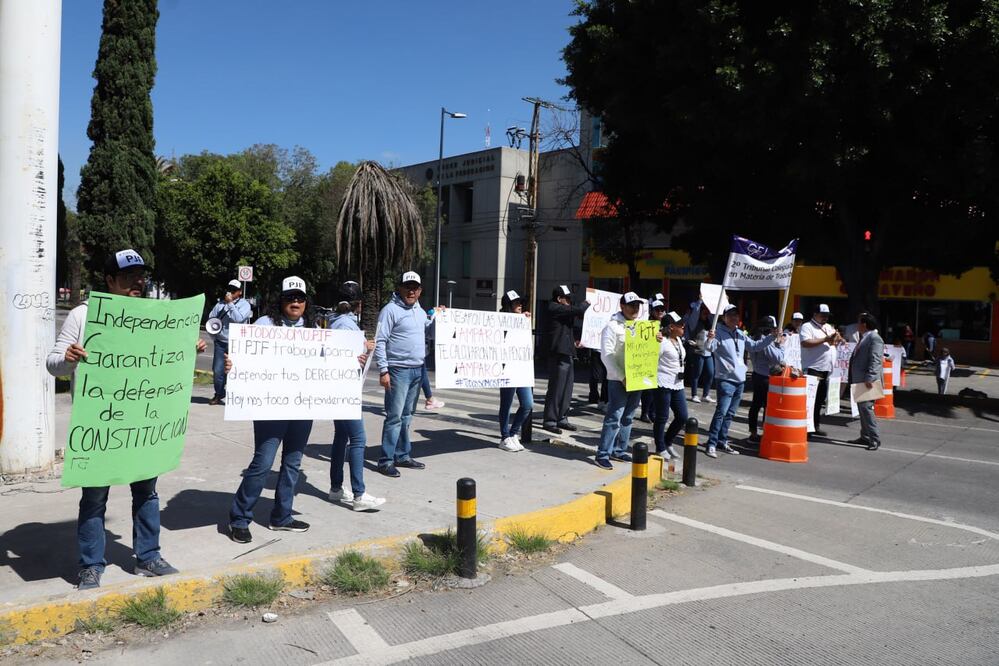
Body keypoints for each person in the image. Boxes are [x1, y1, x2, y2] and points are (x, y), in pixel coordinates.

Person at [47, 249, 207, 589]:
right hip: (101, 427)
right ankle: (91, 565)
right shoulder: (83, 315)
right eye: (128, 275)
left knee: (147, 494)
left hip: (143, 426)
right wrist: (69, 358)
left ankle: (148, 556)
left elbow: (163, 359)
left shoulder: (155, 315)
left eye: (141, 275)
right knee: (94, 500)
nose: (138, 281)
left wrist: (187, 347)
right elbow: (52, 363)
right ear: (109, 280)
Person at [227, 276, 316, 543]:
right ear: (282, 301)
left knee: (293, 464)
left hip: (302, 406)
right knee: (263, 463)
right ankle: (240, 518)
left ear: (306, 302)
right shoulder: (265, 325)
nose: (296, 302)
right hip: (271, 406)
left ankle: (282, 516)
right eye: (290, 298)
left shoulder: (314, 328)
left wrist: (354, 360)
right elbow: (244, 353)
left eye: (300, 298)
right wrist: (235, 364)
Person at [374, 271, 441, 477]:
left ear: (420, 291)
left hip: (416, 370)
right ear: (400, 288)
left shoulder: (420, 312)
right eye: (407, 287)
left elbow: (430, 333)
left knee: (407, 415)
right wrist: (383, 370)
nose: (411, 291)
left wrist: (440, 318)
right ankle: (386, 460)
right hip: (397, 370)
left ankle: (402, 455)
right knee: (394, 417)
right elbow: (380, 340)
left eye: (415, 288)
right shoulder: (390, 310)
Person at [328, 280, 386, 512]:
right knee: (358, 440)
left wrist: (363, 348)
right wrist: (361, 353)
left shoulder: (338, 322)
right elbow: (340, 359)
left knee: (341, 438)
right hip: (345, 390)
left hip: (338, 389)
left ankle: (336, 488)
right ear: (359, 304)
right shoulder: (346, 325)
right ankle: (359, 494)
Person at [703, 304, 780, 458]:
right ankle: (711, 443)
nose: (734, 318)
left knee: (730, 413)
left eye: (736, 315)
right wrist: (709, 339)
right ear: (724, 317)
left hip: (740, 379)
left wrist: (772, 336)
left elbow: (755, 346)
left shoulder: (739, 333)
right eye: (730, 315)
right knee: (721, 412)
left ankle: (722, 441)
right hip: (725, 379)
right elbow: (709, 348)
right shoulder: (717, 332)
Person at [595, 292, 647, 469]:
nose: (635, 309)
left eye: (637, 305)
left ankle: (619, 449)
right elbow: (606, 355)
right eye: (631, 305)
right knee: (614, 416)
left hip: (637, 377)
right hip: (619, 379)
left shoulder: (642, 327)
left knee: (628, 417)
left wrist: (656, 341)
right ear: (622, 306)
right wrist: (621, 376)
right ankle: (603, 453)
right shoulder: (612, 326)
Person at [543, 285, 588, 434]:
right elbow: (577, 310)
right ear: (559, 299)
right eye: (567, 299)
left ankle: (562, 418)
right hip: (558, 353)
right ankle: (550, 420)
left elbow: (567, 330)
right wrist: (585, 304)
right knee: (556, 388)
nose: (569, 302)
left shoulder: (563, 311)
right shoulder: (553, 307)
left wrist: (575, 342)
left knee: (567, 389)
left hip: (568, 352)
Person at [207, 279, 253, 406]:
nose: (231, 292)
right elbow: (211, 320)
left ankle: (237, 397)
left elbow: (238, 319)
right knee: (217, 371)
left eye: (234, 290)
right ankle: (219, 393)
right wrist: (215, 337)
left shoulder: (244, 305)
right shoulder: (220, 304)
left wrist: (230, 304)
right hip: (221, 342)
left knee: (236, 371)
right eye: (229, 289)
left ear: (239, 292)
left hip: (237, 343)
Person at [799, 303, 842, 438]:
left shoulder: (828, 327)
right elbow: (805, 342)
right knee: (809, 401)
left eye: (826, 315)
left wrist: (837, 339)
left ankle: (814, 426)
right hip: (813, 368)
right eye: (822, 315)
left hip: (825, 369)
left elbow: (832, 342)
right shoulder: (807, 326)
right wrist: (825, 339)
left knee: (818, 401)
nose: (825, 318)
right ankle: (806, 428)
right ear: (815, 314)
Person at [498, 290, 533, 452]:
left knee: (527, 403)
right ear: (508, 305)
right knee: (506, 404)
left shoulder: (522, 319)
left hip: (521, 368)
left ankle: (513, 433)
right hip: (506, 368)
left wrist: (524, 321)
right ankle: (504, 437)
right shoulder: (498, 320)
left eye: (520, 302)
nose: (520, 305)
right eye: (516, 303)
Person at [652, 311, 688, 459]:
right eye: (680, 324)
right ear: (671, 327)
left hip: (678, 384)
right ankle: (660, 447)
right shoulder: (661, 342)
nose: (683, 326)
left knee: (682, 416)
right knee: (662, 417)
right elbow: (652, 360)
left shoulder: (678, 340)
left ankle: (668, 442)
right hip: (663, 383)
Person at [848, 312, 884, 451]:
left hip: (867, 379)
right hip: (860, 379)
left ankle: (874, 439)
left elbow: (876, 359)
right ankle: (865, 436)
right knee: (862, 409)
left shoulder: (875, 338)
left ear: (864, 324)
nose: (857, 325)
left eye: (859, 322)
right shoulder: (865, 337)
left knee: (866, 409)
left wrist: (871, 376)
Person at [746, 316, 785, 443]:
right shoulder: (764, 341)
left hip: (758, 375)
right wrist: (780, 345)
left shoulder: (756, 338)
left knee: (756, 405)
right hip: (765, 377)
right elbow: (777, 358)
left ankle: (754, 432)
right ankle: (761, 432)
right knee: (766, 406)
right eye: (773, 329)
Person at [638, 299, 667, 423]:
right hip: (649, 357)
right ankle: (645, 413)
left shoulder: (666, 323)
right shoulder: (647, 323)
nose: (660, 312)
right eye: (657, 310)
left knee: (657, 388)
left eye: (662, 309)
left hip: (661, 359)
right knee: (648, 389)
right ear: (652, 311)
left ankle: (653, 412)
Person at [687, 307, 715, 404]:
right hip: (697, 351)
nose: (706, 314)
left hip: (708, 352)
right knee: (696, 374)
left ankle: (705, 395)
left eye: (707, 312)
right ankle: (694, 394)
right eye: (704, 312)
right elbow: (694, 315)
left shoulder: (710, 323)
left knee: (710, 373)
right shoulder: (695, 322)